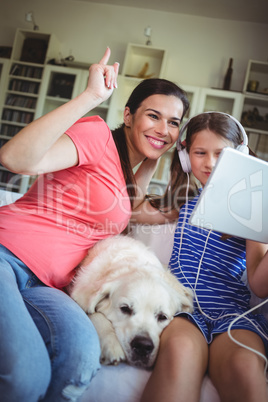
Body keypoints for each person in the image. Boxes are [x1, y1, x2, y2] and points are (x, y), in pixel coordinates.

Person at [0, 47, 189, 402]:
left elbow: (138, 208)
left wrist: (172, 155)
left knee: (80, 360)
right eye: (154, 116)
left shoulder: (124, 176)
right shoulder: (97, 135)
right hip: (5, 255)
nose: (164, 129)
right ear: (128, 116)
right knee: (26, 378)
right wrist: (91, 97)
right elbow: (14, 158)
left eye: (174, 123)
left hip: (47, 286)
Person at [133, 112, 268, 402]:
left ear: (241, 155)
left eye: (222, 154)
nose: (210, 162)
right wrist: (154, 156)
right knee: (179, 352)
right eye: (199, 153)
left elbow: (259, 284)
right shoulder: (181, 204)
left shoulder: (254, 210)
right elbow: (130, 207)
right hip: (183, 307)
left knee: (245, 367)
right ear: (185, 159)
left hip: (232, 314)